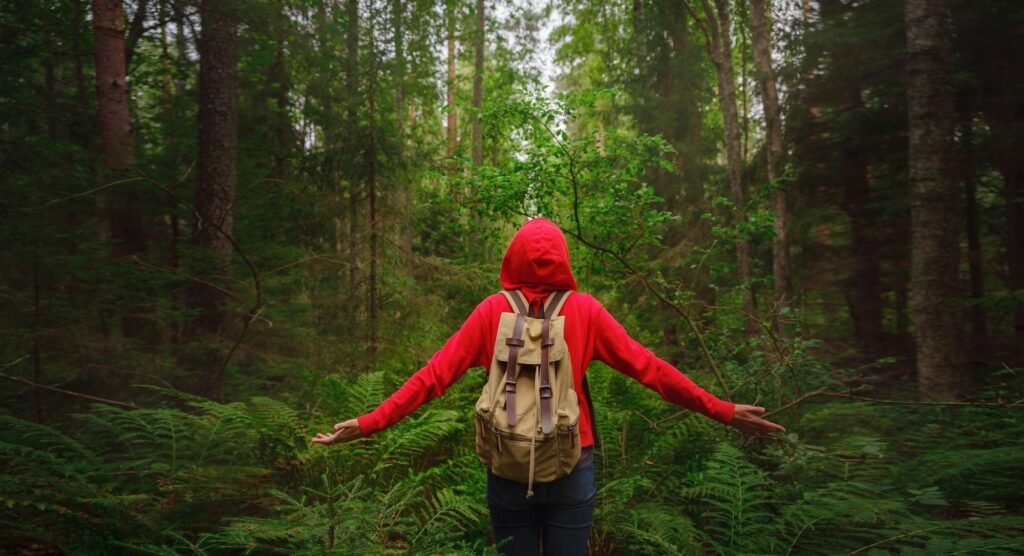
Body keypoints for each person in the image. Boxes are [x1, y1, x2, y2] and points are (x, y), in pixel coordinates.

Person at [312, 217, 786, 555]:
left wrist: (370, 422)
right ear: (561, 260)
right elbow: (653, 371)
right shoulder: (584, 311)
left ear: (512, 258)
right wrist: (723, 411)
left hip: (507, 461)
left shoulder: (490, 312)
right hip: (571, 460)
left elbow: (432, 377)